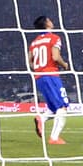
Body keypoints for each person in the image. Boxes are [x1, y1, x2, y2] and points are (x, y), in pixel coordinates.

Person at [29, 15, 71, 146]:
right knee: (62, 106)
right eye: (50, 19)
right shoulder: (55, 38)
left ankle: (40, 118)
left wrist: (39, 68)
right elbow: (55, 56)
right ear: (47, 23)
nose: (52, 21)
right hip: (51, 75)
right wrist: (64, 65)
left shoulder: (34, 42)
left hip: (39, 77)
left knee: (53, 107)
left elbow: (30, 62)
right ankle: (54, 137)